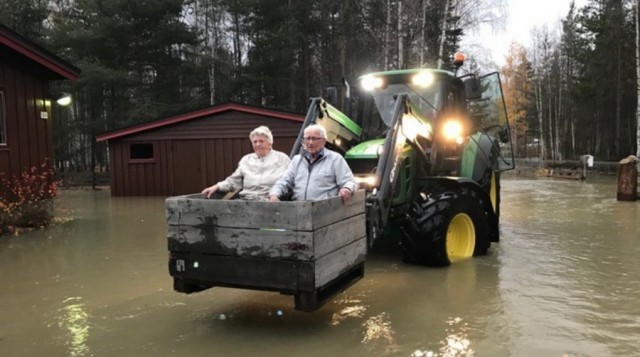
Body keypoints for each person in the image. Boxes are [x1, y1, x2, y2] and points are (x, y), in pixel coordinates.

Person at [268, 124, 356, 204]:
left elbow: (349, 181)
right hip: (298, 208)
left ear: (324, 141)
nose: (310, 142)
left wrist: (346, 188)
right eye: (307, 138)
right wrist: (274, 193)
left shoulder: (335, 159)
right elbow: (284, 180)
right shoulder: (297, 160)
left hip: (325, 210)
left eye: (314, 138)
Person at [202, 126, 290, 201]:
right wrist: (217, 186)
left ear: (270, 142)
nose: (258, 144)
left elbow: (289, 181)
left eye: (261, 141)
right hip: (246, 201)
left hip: (268, 202)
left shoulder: (282, 159)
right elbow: (234, 181)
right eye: (255, 142)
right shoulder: (246, 159)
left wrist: (276, 195)